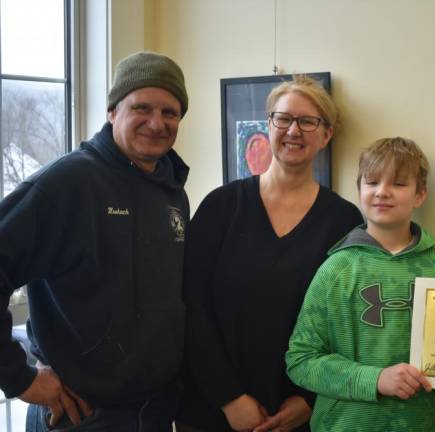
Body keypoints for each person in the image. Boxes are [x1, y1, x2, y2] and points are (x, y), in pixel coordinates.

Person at [0, 51, 190, 431]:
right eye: (142, 108)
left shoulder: (171, 189)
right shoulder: (67, 184)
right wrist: (18, 378)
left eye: (170, 112)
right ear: (112, 111)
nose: (156, 123)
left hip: (153, 412)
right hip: (81, 415)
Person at [176, 76, 363, 432]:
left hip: (296, 415)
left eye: (308, 121)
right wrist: (229, 398)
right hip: (211, 410)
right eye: (284, 118)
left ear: (326, 135)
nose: (294, 130)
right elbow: (191, 307)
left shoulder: (344, 221)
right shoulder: (221, 207)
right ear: (268, 125)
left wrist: (309, 400)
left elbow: (345, 325)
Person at [285, 137, 435, 432]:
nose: (382, 192)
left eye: (398, 183)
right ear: (359, 190)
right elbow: (301, 361)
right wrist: (376, 379)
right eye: (371, 182)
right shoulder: (335, 270)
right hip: (344, 425)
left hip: (418, 425)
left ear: (420, 195)